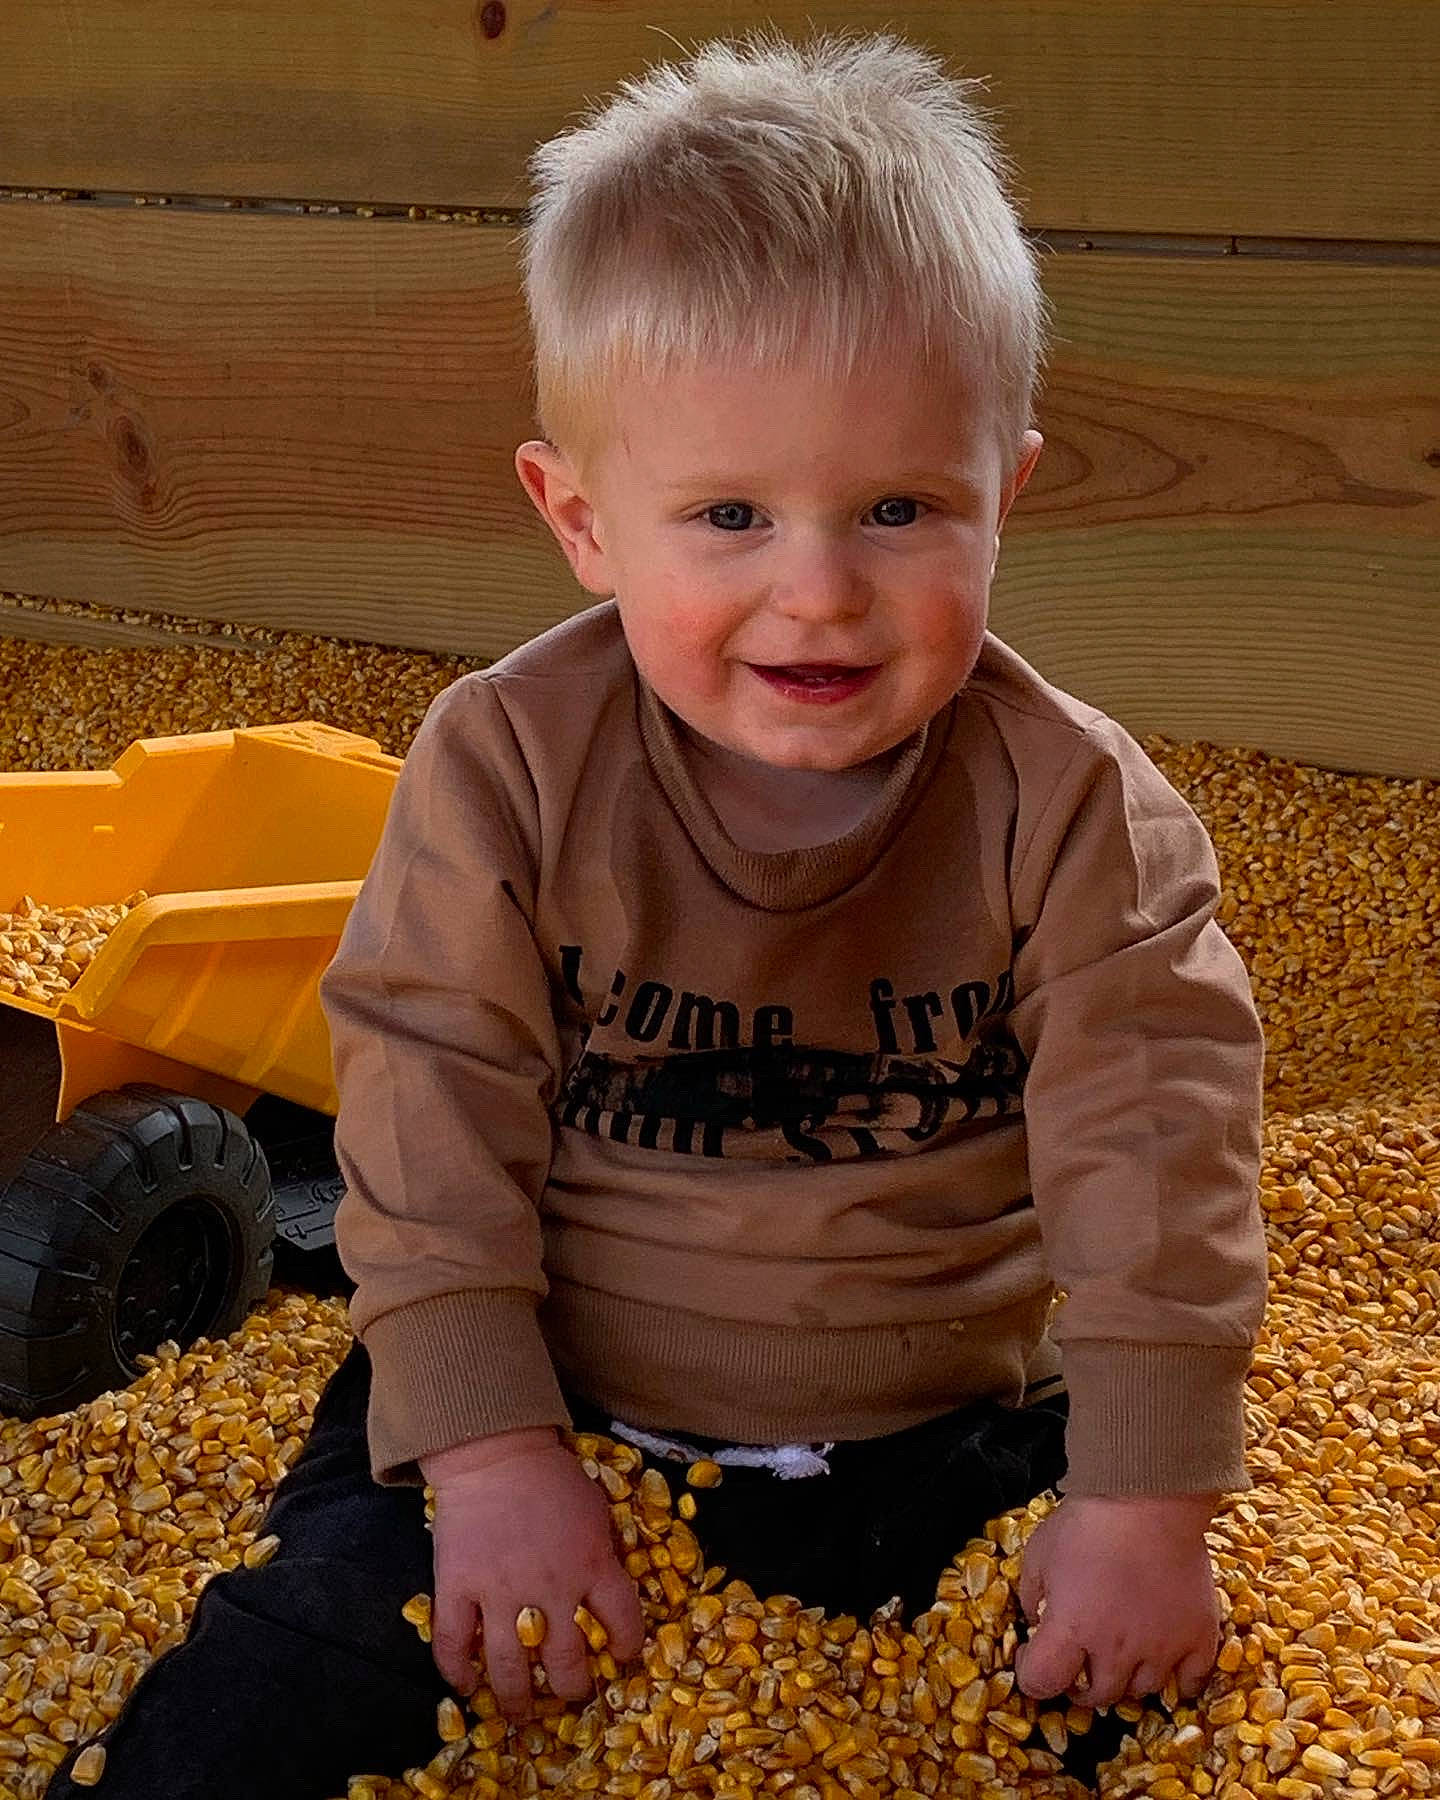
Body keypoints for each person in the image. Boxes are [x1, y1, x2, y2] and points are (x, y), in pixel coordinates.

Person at [48, 27, 1267, 1798]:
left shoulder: (1074, 808)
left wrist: (1144, 1501)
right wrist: (486, 1456)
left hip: (954, 1437)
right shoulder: (509, 765)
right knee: (270, 1703)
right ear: (581, 519)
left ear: (1010, 486)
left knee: (1151, 1718)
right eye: (727, 514)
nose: (821, 591)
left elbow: (1160, 1152)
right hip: (556, 1396)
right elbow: (424, 1105)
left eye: (900, 508)